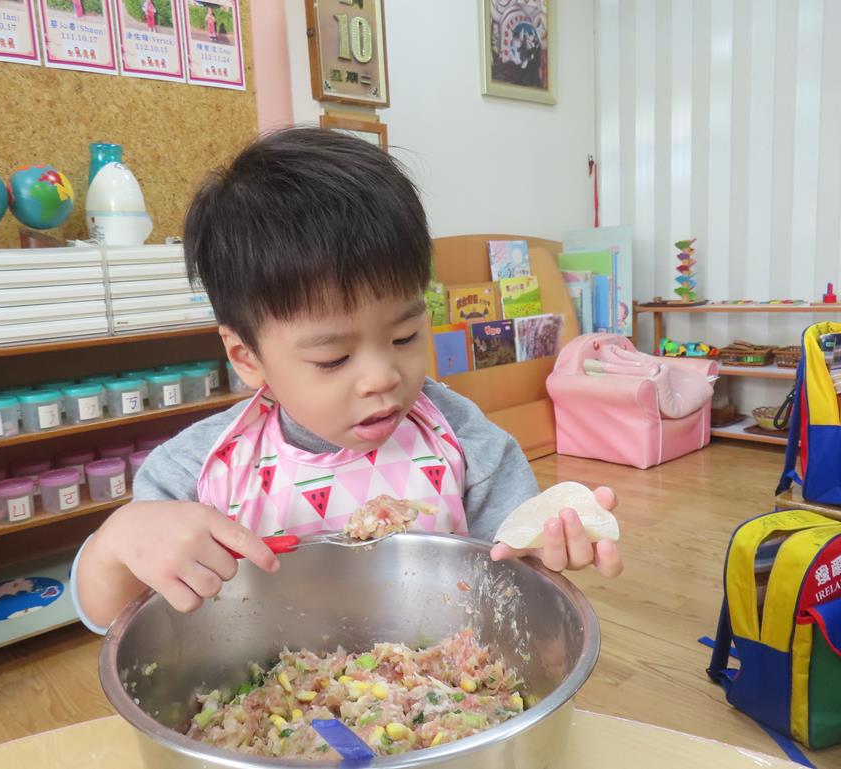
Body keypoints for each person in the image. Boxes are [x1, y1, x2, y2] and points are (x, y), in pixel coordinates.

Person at [73, 128, 623, 632]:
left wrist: (545, 542)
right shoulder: (199, 473)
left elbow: (512, 565)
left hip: (442, 673)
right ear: (247, 357)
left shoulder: (463, 440)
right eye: (334, 358)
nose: (383, 377)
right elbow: (109, 613)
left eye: (405, 336)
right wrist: (115, 544)